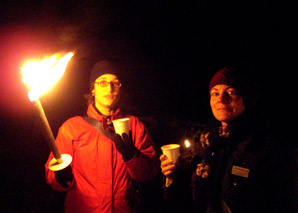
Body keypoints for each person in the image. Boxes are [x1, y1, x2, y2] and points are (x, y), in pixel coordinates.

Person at [160, 67, 297, 212]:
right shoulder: (205, 144)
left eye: (231, 92)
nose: (221, 99)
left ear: (246, 99)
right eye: (215, 93)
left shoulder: (268, 147)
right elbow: (190, 202)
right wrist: (173, 177)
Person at [45, 59, 159, 212]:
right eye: (102, 82)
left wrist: (133, 156)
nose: (109, 88)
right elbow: (53, 175)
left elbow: (149, 173)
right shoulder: (71, 128)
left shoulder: (134, 125)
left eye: (115, 82)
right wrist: (59, 176)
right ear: (93, 89)